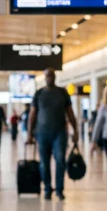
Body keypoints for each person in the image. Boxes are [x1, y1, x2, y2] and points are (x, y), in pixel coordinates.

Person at [28, 68, 80, 200]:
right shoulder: (39, 93)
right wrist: (29, 133)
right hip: (42, 133)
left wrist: (75, 130)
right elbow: (32, 114)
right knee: (44, 163)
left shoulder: (62, 93)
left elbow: (70, 113)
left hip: (60, 133)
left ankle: (59, 189)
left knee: (60, 160)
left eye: (52, 75)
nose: (50, 78)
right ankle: (47, 188)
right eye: (47, 76)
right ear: (45, 78)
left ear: (55, 77)